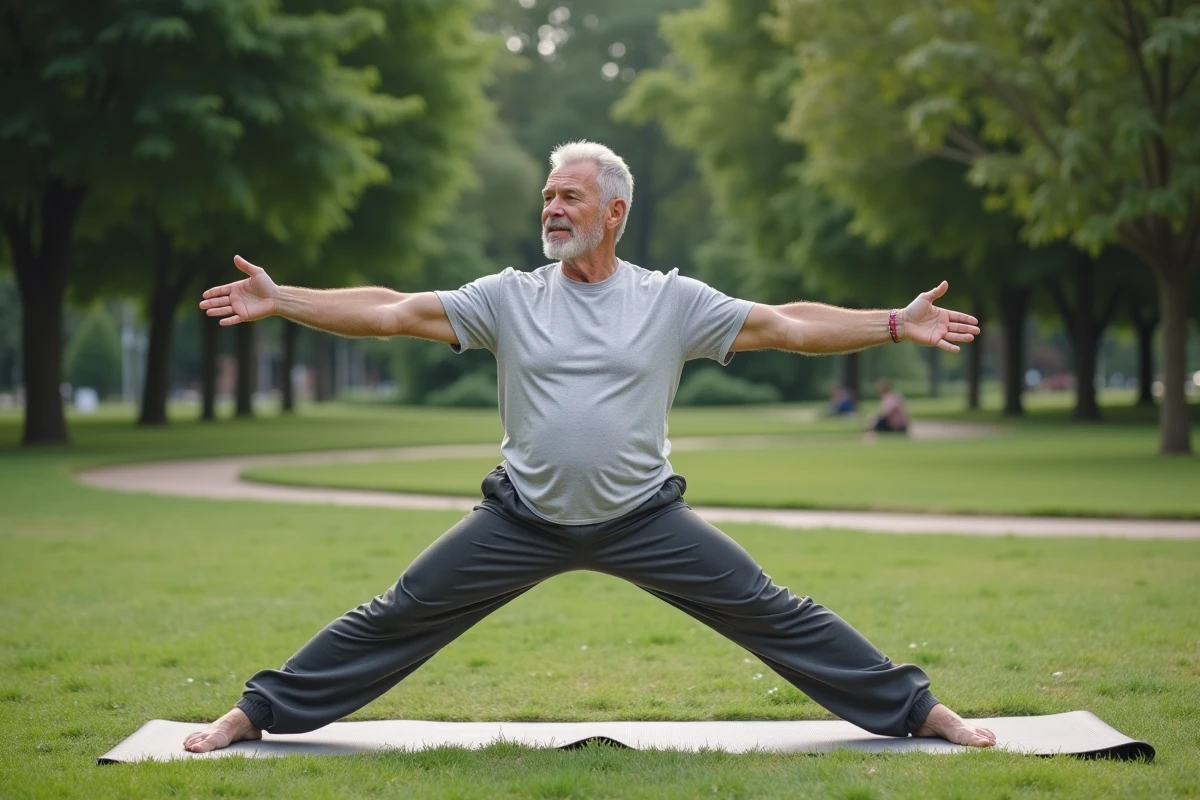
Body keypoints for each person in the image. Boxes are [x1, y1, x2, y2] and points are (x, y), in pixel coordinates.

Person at [185, 141, 993, 753]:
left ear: (614, 212)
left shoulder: (670, 301)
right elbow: (393, 310)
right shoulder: (507, 297)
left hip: (643, 519)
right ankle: (255, 712)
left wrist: (894, 322)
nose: (552, 208)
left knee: (771, 608)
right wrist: (283, 298)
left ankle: (918, 709)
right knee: (400, 611)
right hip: (521, 518)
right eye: (546, 197)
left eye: (569, 196)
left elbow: (786, 324)